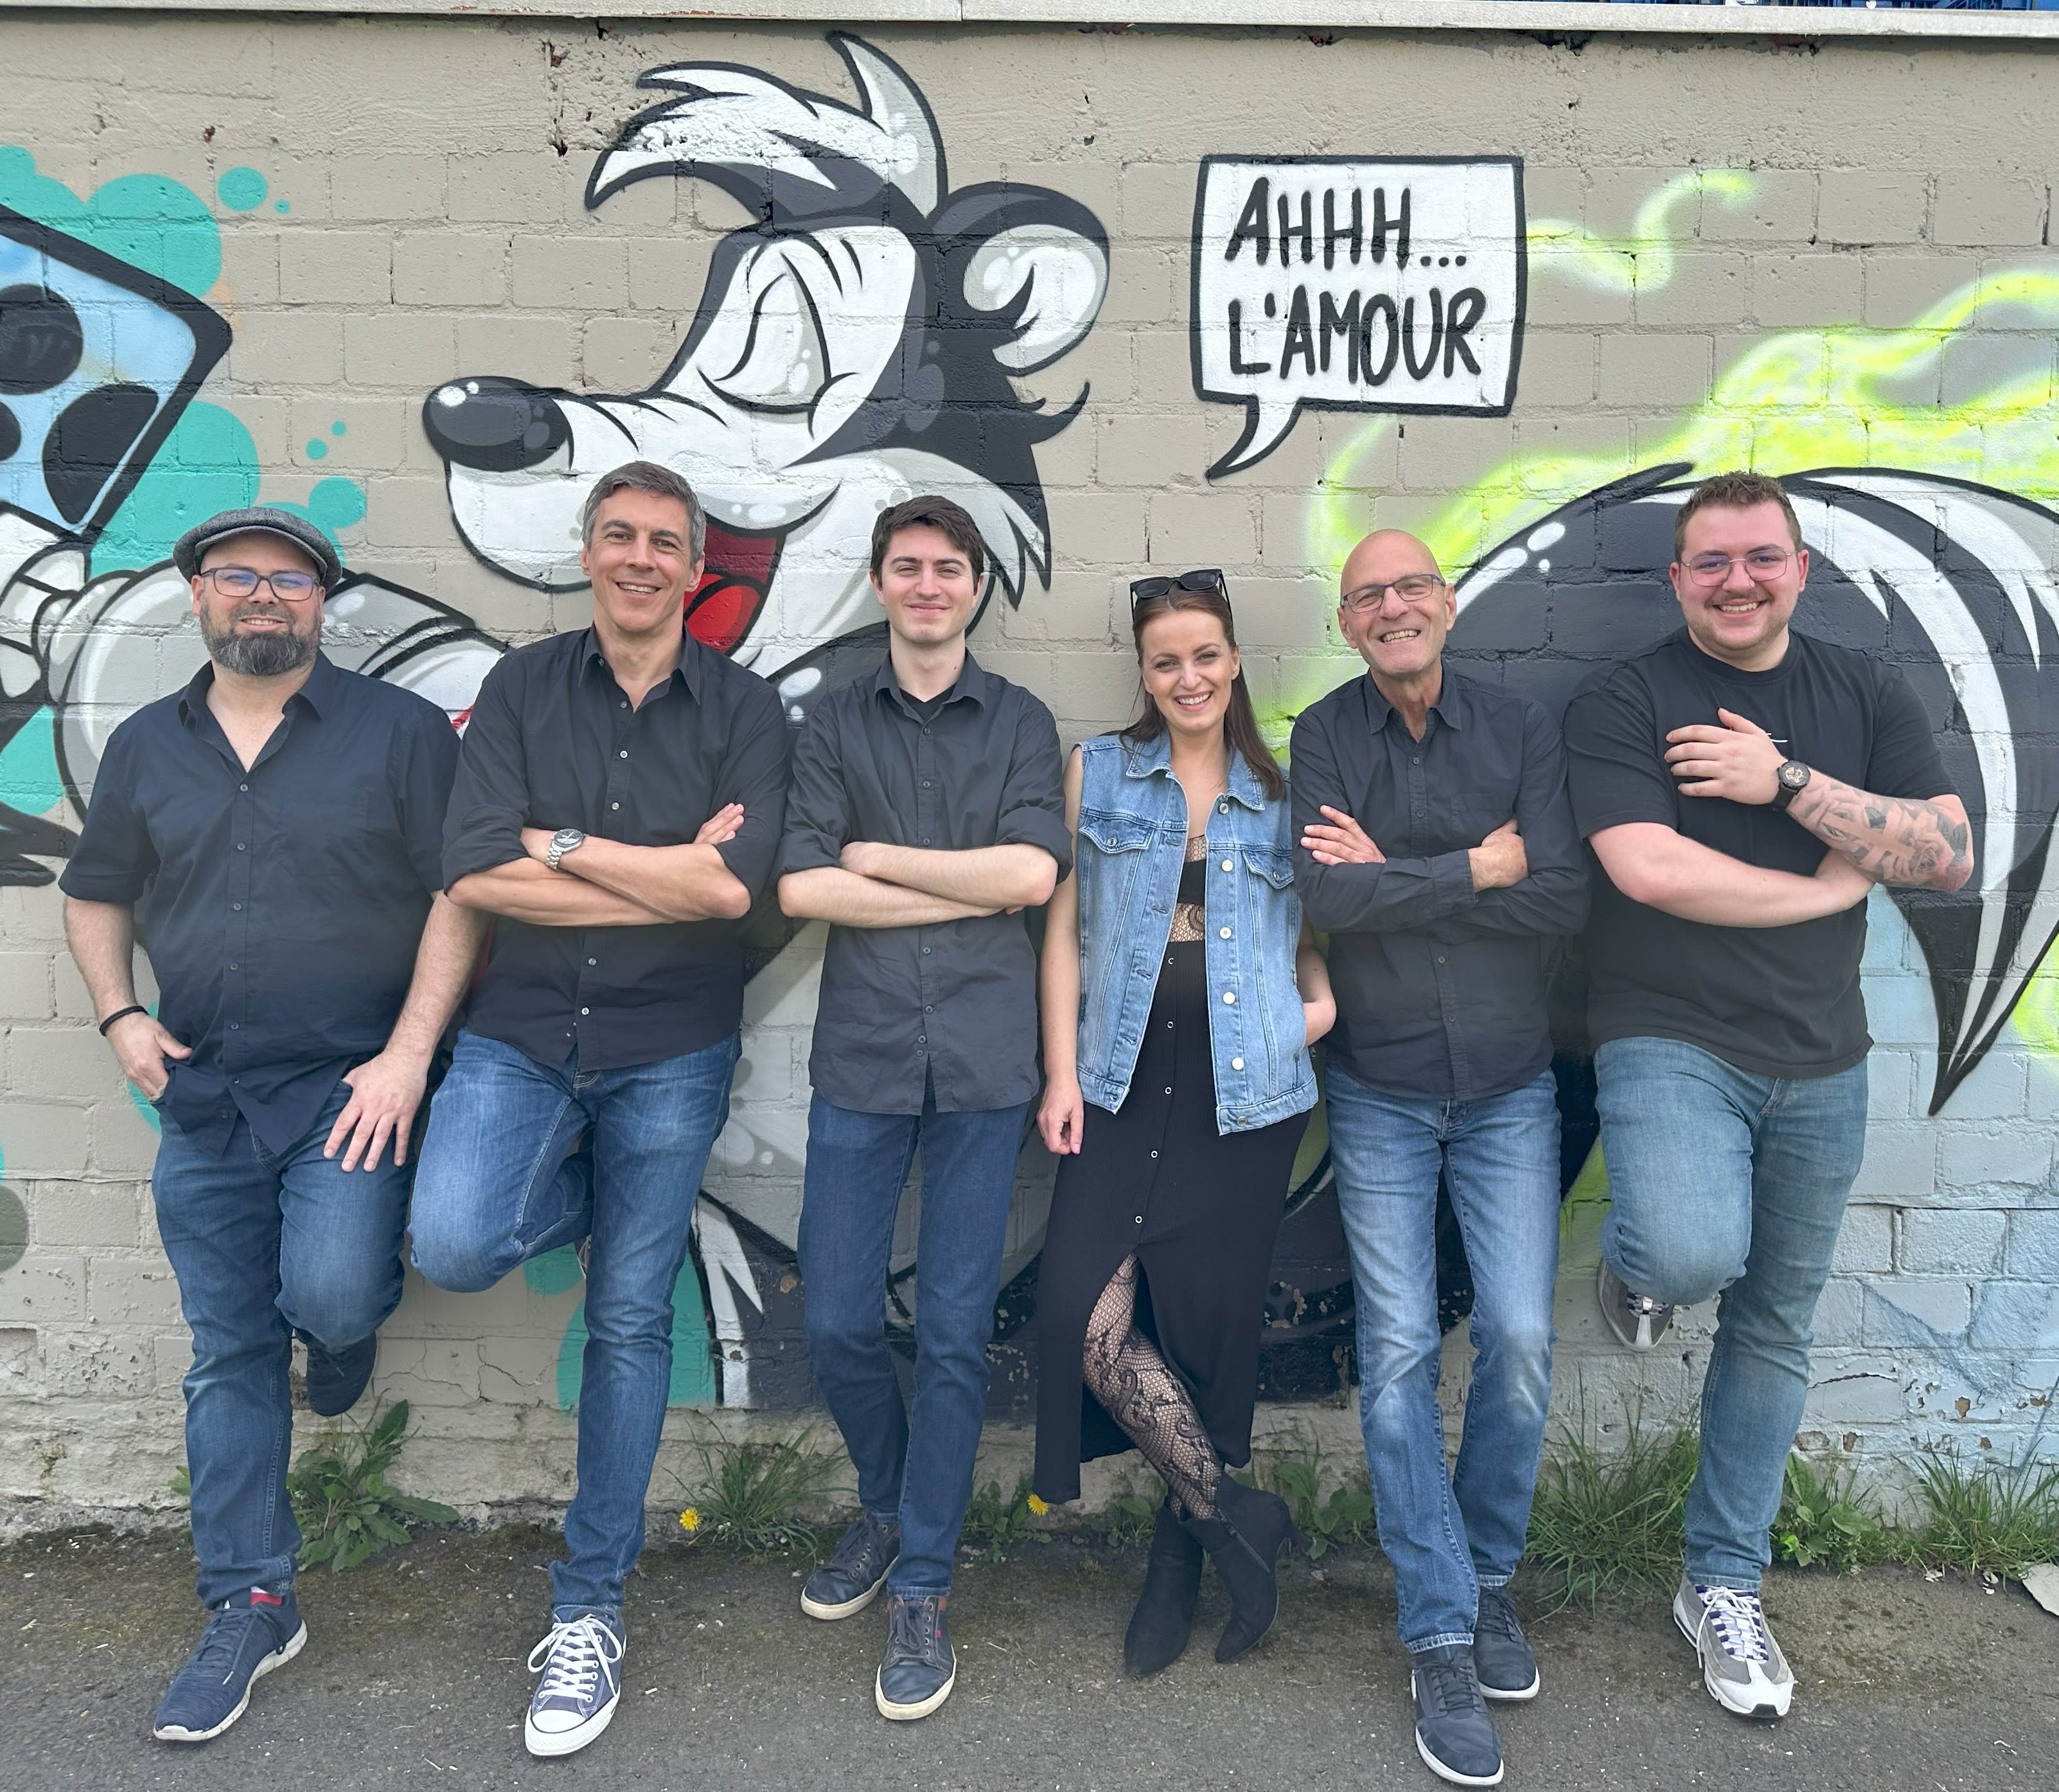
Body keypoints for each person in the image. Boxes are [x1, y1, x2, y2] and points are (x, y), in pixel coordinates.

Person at [60, 507, 479, 1744]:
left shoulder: (399, 734)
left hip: (350, 1094)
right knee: (228, 1352)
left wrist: (408, 1057)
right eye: (236, 575)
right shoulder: (147, 744)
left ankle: (344, 1332)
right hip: (204, 1100)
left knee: (334, 1296)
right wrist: (121, 1019)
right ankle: (251, 1600)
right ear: (197, 594)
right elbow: (95, 895)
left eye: (289, 580)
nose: (263, 595)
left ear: (321, 602)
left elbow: (462, 895)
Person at [1565, 470, 1970, 1722]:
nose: (1735, 581)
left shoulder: (1863, 692)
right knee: (1690, 1248)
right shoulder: (1625, 698)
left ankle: (1721, 1583)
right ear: (1676, 579)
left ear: (1797, 570)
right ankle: (1636, 1269)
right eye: (1711, 561)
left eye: (1758, 558)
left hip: (1822, 1057)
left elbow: (1947, 852)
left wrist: (1783, 781)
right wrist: (1824, 886)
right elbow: (1647, 868)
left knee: (1772, 1325)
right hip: (1666, 1034)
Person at [408, 461, 790, 1759]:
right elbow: (473, 867)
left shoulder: (744, 708)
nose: (639, 558)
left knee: (629, 1317)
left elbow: (731, 894)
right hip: (520, 1036)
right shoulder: (521, 687)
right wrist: (656, 868)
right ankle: (595, 1196)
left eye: (663, 542)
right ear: (587, 553)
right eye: (617, 535)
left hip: (670, 1046)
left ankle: (588, 1607)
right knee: (454, 1237)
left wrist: (559, 843)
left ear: (695, 569)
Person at [1291, 529, 1588, 1789]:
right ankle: (1439, 1631)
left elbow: (1562, 895)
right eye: (1369, 595)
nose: (1393, 607)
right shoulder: (1323, 736)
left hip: (1512, 1088)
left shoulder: (1518, 729)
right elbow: (1326, 903)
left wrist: (1397, 876)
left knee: (1517, 1336)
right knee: (1401, 1349)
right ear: (1348, 622)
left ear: (1447, 604)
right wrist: (1476, 864)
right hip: (1378, 1089)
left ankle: (1484, 1575)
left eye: (1411, 586)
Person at [777, 495, 1068, 1722]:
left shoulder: (1022, 720)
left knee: (951, 1332)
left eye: (950, 567)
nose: (929, 585)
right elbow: (801, 885)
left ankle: (925, 1582)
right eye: (908, 566)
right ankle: (889, 1504)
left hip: (987, 1067)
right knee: (838, 1316)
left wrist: (880, 858)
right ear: (881, 583)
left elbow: (1034, 873)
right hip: (864, 1058)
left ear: (975, 586)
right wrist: (969, 889)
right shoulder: (834, 722)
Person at [1034, 567, 1333, 1679]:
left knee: (1205, 1331)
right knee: (1082, 1319)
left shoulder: (1287, 791)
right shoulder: (1099, 770)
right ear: (1145, 673)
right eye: (1166, 661)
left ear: (1235, 660)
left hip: (1243, 1098)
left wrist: (1316, 1009)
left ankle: (1178, 1559)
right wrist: (1060, 1073)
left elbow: (1320, 934)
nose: (1188, 676)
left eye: (1205, 654)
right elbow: (1062, 927)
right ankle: (1231, 1515)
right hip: (1116, 1081)